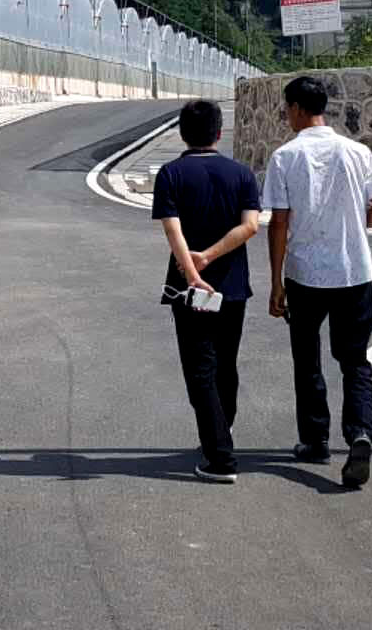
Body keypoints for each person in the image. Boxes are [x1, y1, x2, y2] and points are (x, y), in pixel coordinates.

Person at [263, 75, 372, 489]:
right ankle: (360, 434)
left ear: (297, 108)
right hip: (353, 272)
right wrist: (353, 228)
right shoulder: (358, 152)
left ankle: (315, 440)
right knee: (354, 361)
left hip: (305, 274)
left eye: (287, 109)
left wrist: (276, 282)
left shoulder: (285, 157)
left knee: (308, 360)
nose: (287, 116)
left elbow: (279, 223)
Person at [152, 98, 261, 484]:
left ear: (183, 133)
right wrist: (211, 257)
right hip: (233, 286)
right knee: (226, 364)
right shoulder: (242, 174)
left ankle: (220, 458)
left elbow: (173, 229)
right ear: (219, 132)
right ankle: (221, 433)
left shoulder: (170, 174)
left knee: (201, 370)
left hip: (189, 290)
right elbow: (251, 226)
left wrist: (192, 269)